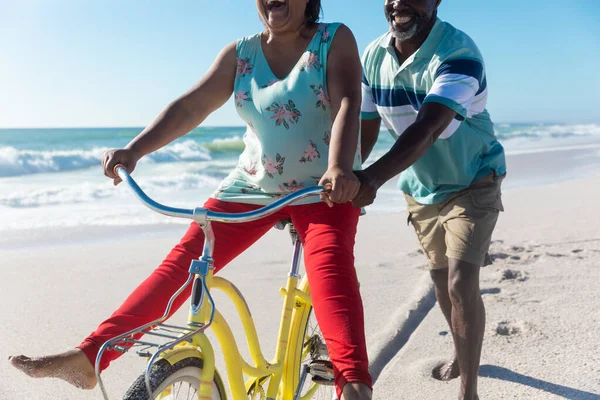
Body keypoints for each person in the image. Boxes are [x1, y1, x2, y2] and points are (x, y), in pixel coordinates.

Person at [9, 1, 373, 398]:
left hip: (323, 189)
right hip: (252, 186)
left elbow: (347, 103)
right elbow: (192, 106)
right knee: (183, 264)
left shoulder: (332, 40)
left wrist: (339, 167)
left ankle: (353, 383)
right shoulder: (242, 53)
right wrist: (135, 150)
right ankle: (90, 357)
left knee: (330, 277)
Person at [353, 1, 506, 399]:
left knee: (460, 281)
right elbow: (364, 128)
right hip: (421, 185)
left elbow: (428, 125)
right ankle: (461, 352)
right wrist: (346, 170)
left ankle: (468, 389)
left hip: (474, 177)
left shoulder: (458, 54)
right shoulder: (372, 56)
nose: (399, 3)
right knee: (440, 280)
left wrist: (370, 180)